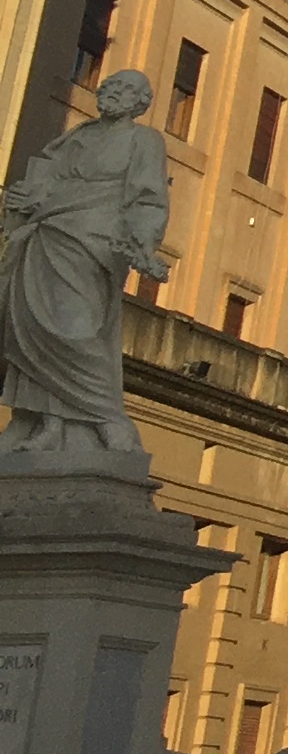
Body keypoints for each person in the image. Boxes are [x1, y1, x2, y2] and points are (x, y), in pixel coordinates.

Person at [1, 62, 174, 470]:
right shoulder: (75, 137)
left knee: (74, 329)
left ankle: (104, 417)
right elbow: (44, 180)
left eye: (125, 88)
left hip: (94, 241)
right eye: (110, 85)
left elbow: (148, 199)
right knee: (32, 328)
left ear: (140, 103)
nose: (112, 91)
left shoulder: (143, 141)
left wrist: (143, 242)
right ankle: (45, 422)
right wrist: (25, 199)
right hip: (48, 233)